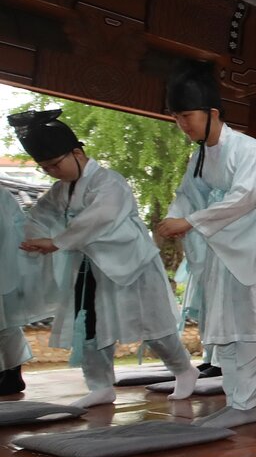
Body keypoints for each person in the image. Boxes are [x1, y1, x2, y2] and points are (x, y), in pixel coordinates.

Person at [10, 109, 198, 407]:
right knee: (91, 326)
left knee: (154, 324)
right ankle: (100, 386)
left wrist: (57, 241)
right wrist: (31, 238)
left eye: (55, 164)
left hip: (131, 265)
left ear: (76, 152)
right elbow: (39, 213)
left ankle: (184, 369)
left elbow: (101, 217)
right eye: (45, 169)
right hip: (90, 267)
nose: (52, 172)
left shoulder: (109, 182)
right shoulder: (62, 191)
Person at [156, 61, 256, 428]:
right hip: (223, 251)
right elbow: (187, 196)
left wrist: (191, 221)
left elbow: (248, 195)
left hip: (255, 249)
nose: (183, 124)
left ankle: (246, 404)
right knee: (230, 328)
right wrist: (175, 220)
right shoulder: (199, 157)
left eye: (187, 115)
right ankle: (237, 400)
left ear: (211, 112)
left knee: (250, 327)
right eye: (176, 117)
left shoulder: (248, 149)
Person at [0, 188, 47, 396]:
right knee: (6, 324)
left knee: (6, 324)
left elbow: (13, 228)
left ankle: (11, 374)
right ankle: (9, 374)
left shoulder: (2, 196)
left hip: (5, 266)